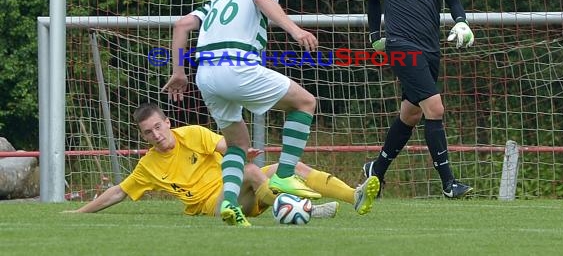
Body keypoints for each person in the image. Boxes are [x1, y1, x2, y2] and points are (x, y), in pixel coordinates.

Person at [162, 0, 345, 225]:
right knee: (305, 102)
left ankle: (228, 203)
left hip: (205, 75)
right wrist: (296, 31)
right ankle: (284, 174)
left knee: (237, 144)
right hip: (236, 66)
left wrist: (178, 71)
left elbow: (182, 24)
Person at [63, 103, 380, 224]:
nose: (156, 135)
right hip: (217, 205)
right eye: (148, 132)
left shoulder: (192, 134)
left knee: (290, 165)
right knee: (250, 172)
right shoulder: (148, 166)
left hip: (244, 187)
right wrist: (79, 212)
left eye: (159, 127)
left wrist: (243, 151)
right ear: (143, 136)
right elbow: (119, 191)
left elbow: (224, 144)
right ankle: (301, 210)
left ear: (168, 123)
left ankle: (355, 196)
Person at [362, 0, 474, 199]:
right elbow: (373, 3)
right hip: (400, 46)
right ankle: (449, 183)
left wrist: (461, 20)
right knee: (434, 108)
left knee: (411, 114)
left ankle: (377, 168)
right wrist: (376, 35)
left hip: (430, 47)